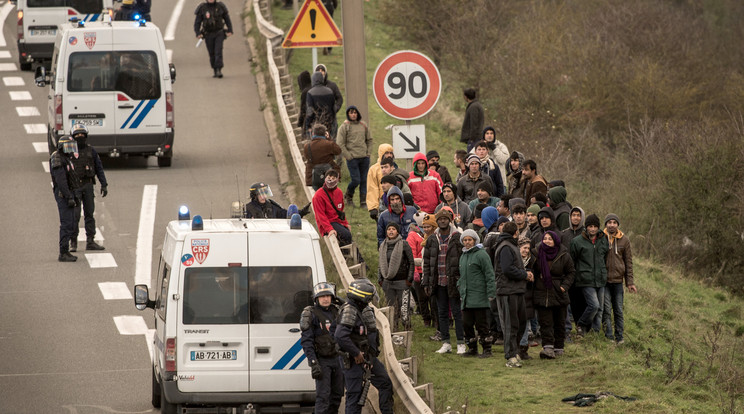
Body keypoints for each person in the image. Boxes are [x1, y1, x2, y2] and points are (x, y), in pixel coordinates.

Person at [335, 279, 394, 413]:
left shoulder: (366, 310)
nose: (371, 300)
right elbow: (339, 336)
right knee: (355, 396)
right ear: (363, 297)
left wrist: (371, 358)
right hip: (353, 361)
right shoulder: (349, 311)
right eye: (369, 297)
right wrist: (356, 353)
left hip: (369, 358)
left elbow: (372, 336)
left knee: (385, 383)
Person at [421, 208, 466, 354]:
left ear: (450, 220)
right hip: (438, 281)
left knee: (457, 312)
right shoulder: (432, 239)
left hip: (453, 280)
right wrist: (426, 282)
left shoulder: (457, 237)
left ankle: (460, 342)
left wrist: (462, 280)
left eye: (445, 219)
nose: (442, 221)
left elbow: (463, 260)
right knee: (441, 313)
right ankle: (446, 342)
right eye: (440, 219)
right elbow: (426, 262)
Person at [300, 282, 344, 414]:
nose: (325, 299)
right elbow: (306, 341)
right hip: (322, 361)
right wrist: (313, 362)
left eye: (328, 296)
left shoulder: (337, 311)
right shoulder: (311, 314)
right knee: (323, 397)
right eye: (322, 296)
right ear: (316, 298)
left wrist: (340, 301)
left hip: (338, 359)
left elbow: (350, 310)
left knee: (337, 396)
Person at [493, 221, 532, 368]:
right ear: (515, 233)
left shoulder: (511, 245)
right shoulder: (504, 247)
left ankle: (515, 351)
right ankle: (510, 356)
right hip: (507, 291)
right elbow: (507, 269)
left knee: (520, 322)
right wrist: (524, 275)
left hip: (516, 290)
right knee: (510, 325)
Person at [533, 231, 574, 359]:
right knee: (545, 322)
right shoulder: (536, 253)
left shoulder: (564, 255)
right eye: (545, 239)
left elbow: (571, 272)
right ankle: (548, 348)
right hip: (542, 292)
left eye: (550, 239)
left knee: (559, 322)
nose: (547, 241)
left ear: (555, 241)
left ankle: (559, 347)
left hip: (558, 293)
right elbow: (531, 269)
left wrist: (564, 286)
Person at [458, 229, 497, 358]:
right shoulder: (463, 256)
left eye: (470, 240)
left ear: (475, 240)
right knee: (467, 324)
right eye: (465, 240)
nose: (467, 242)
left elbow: (489, 274)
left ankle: (487, 349)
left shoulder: (481, 254)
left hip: (480, 296)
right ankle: (472, 348)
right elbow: (462, 276)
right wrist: (459, 286)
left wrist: (491, 292)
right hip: (466, 297)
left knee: (482, 325)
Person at [69, 125, 107, 252]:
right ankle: (73, 242)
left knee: (89, 214)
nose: (80, 138)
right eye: (77, 135)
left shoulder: (91, 151)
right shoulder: (69, 151)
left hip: (88, 186)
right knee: (75, 215)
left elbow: (99, 168)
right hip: (74, 187)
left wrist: (104, 184)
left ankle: (90, 240)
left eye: (82, 135)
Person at [570, 214, 609, 336]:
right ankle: (580, 324)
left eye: (595, 226)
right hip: (585, 279)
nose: (592, 229)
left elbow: (605, 257)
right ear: (586, 227)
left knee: (600, 309)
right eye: (590, 226)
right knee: (594, 305)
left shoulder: (604, 239)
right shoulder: (577, 242)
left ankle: (595, 333)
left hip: (601, 278)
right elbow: (573, 260)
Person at [602, 213, 636, 345]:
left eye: (614, 222)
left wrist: (630, 282)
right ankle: (609, 337)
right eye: (609, 222)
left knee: (618, 310)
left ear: (617, 225)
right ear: (606, 224)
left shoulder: (624, 240)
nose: (611, 225)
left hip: (617, 281)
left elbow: (628, 262)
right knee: (605, 309)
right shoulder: (600, 237)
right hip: (603, 281)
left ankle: (620, 337)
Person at [50, 137, 82, 262]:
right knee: (67, 223)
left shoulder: (67, 158)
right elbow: (61, 181)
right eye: (68, 147)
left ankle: (66, 251)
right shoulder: (57, 158)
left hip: (70, 193)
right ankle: (63, 252)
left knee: (72, 222)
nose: (70, 150)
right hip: (64, 194)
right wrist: (68, 197)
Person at [378, 222, 414, 331]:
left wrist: (409, 279)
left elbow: (411, 262)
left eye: (393, 229)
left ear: (397, 231)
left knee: (404, 308)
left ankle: (407, 329)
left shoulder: (404, 244)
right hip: (388, 282)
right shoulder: (383, 245)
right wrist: (380, 279)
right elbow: (380, 264)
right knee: (391, 307)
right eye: (389, 229)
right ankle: (394, 329)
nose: (391, 231)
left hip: (402, 281)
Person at [336, 105, 372, 208]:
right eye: (351, 113)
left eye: (355, 113)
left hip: (364, 157)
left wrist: (368, 153)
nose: (353, 114)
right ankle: (349, 196)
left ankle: (363, 202)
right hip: (352, 158)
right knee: (356, 180)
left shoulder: (363, 125)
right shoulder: (344, 127)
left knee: (364, 180)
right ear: (348, 114)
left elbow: (369, 140)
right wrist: (348, 156)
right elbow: (340, 143)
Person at [311, 169, 353, 246]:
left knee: (347, 234)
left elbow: (341, 211)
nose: (330, 180)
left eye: (333, 178)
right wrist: (329, 229)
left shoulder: (339, 192)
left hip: (337, 221)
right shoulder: (318, 196)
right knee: (346, 235)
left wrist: (345, 223)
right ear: (325, 178)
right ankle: (346, 255)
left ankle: (351, 256)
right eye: (329, 177)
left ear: (337, 180)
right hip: (327, 223)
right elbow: (320, 215)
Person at [194, 0, 233, 78]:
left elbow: (227, 19)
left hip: (219, 33)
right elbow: (197, 22)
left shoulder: (220, 7)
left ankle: (219, 69)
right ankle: (215, 69)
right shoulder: (202, 8)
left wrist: (230, 30)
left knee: (218, 51)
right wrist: (198, 33)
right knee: (211, 53)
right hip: (208, 34)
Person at [304, 124, 341, 190]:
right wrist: (329, 139)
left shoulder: (307, 146)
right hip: (329, 173)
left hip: (314, 175)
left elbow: (307, 157)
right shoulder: (329, 144)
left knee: (319, 195)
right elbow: (338, 151)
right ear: (324, 133)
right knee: (331, 195)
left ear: (313, 133)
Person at [304, 72, 337, 137]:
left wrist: (307, 125)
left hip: (316, 124)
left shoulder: (310, 93)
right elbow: (333, 109)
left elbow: (310, 111)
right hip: (328, 123)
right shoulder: (330, 91)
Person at [460, 88, 484, 152]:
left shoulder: (474, 107)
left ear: (466, 97)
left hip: (474, 139)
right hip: (476, 138)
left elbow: (474, 124)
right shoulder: (476, 105)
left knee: (472, 158)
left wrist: (472, 138)